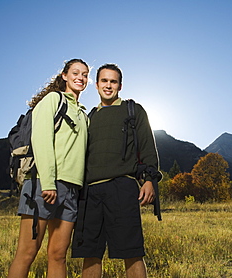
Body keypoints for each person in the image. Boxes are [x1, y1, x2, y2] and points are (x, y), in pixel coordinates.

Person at [71, 63, 160, 278]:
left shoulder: (133, 110)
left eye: (113, 81)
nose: (108, 86)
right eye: (104, 81)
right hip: (90, 192)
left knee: (132, 251)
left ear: (120, 85)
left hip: (122, 187)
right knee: (90, 254)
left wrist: (149, 180)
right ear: (96, 84)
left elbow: (148, 146)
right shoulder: (88, 117)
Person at [8, 58, 90, 278]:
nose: (80, 78)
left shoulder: (83, 114)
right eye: (75, 73)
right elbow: (41, 140)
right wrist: (49, 182)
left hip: (72, 190)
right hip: (42, 185)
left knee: (58, 255)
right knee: (27, 253)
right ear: (64, 76)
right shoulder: (53, 100)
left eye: (84, 74)